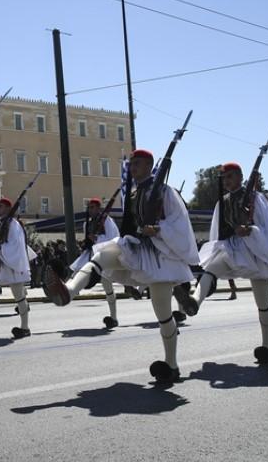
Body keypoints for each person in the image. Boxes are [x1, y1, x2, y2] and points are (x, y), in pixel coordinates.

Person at [44, 149, 199, 384]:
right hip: (136, 247)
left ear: (149, 166)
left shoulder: (166, 192)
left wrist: (158, 230)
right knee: (102, 256)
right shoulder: (135, 194)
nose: (133, 168)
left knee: (163, 315)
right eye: (132, 164)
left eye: (137, 164)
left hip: (161, 256)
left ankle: (172, 364)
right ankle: (69, 291)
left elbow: (180, 223)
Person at [179, 162, 268, 364]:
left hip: (256, 251)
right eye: (225, 178)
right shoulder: (223, 201)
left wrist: (251, 231)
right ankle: (194, 301)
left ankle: (267, 347)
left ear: (240, 176)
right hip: (232, 248)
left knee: (263, 303)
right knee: (211, 268)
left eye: (230, 176)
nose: (227, 181)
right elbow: (219, 229)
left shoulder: (256, 198)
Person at [68, 197, 121, 328]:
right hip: (91, 254)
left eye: (93, 207)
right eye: (89, 207)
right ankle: (66, 290)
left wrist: (97, 238)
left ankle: (113, 317)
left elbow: (113, 238)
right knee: (77, 273)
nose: (90, 210)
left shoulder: (107, 221)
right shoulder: (88, 223)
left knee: (107, 286)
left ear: (98, 208)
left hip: (103, 255)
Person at [0, 197, 36, 339]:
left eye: (1, 206)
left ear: (8, 209)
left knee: (19, 296)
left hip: (14, 264)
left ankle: (25, 327)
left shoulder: (13, 224)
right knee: (18, 295)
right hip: (8, 263)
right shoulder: (4, 223)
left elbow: (15, 246)